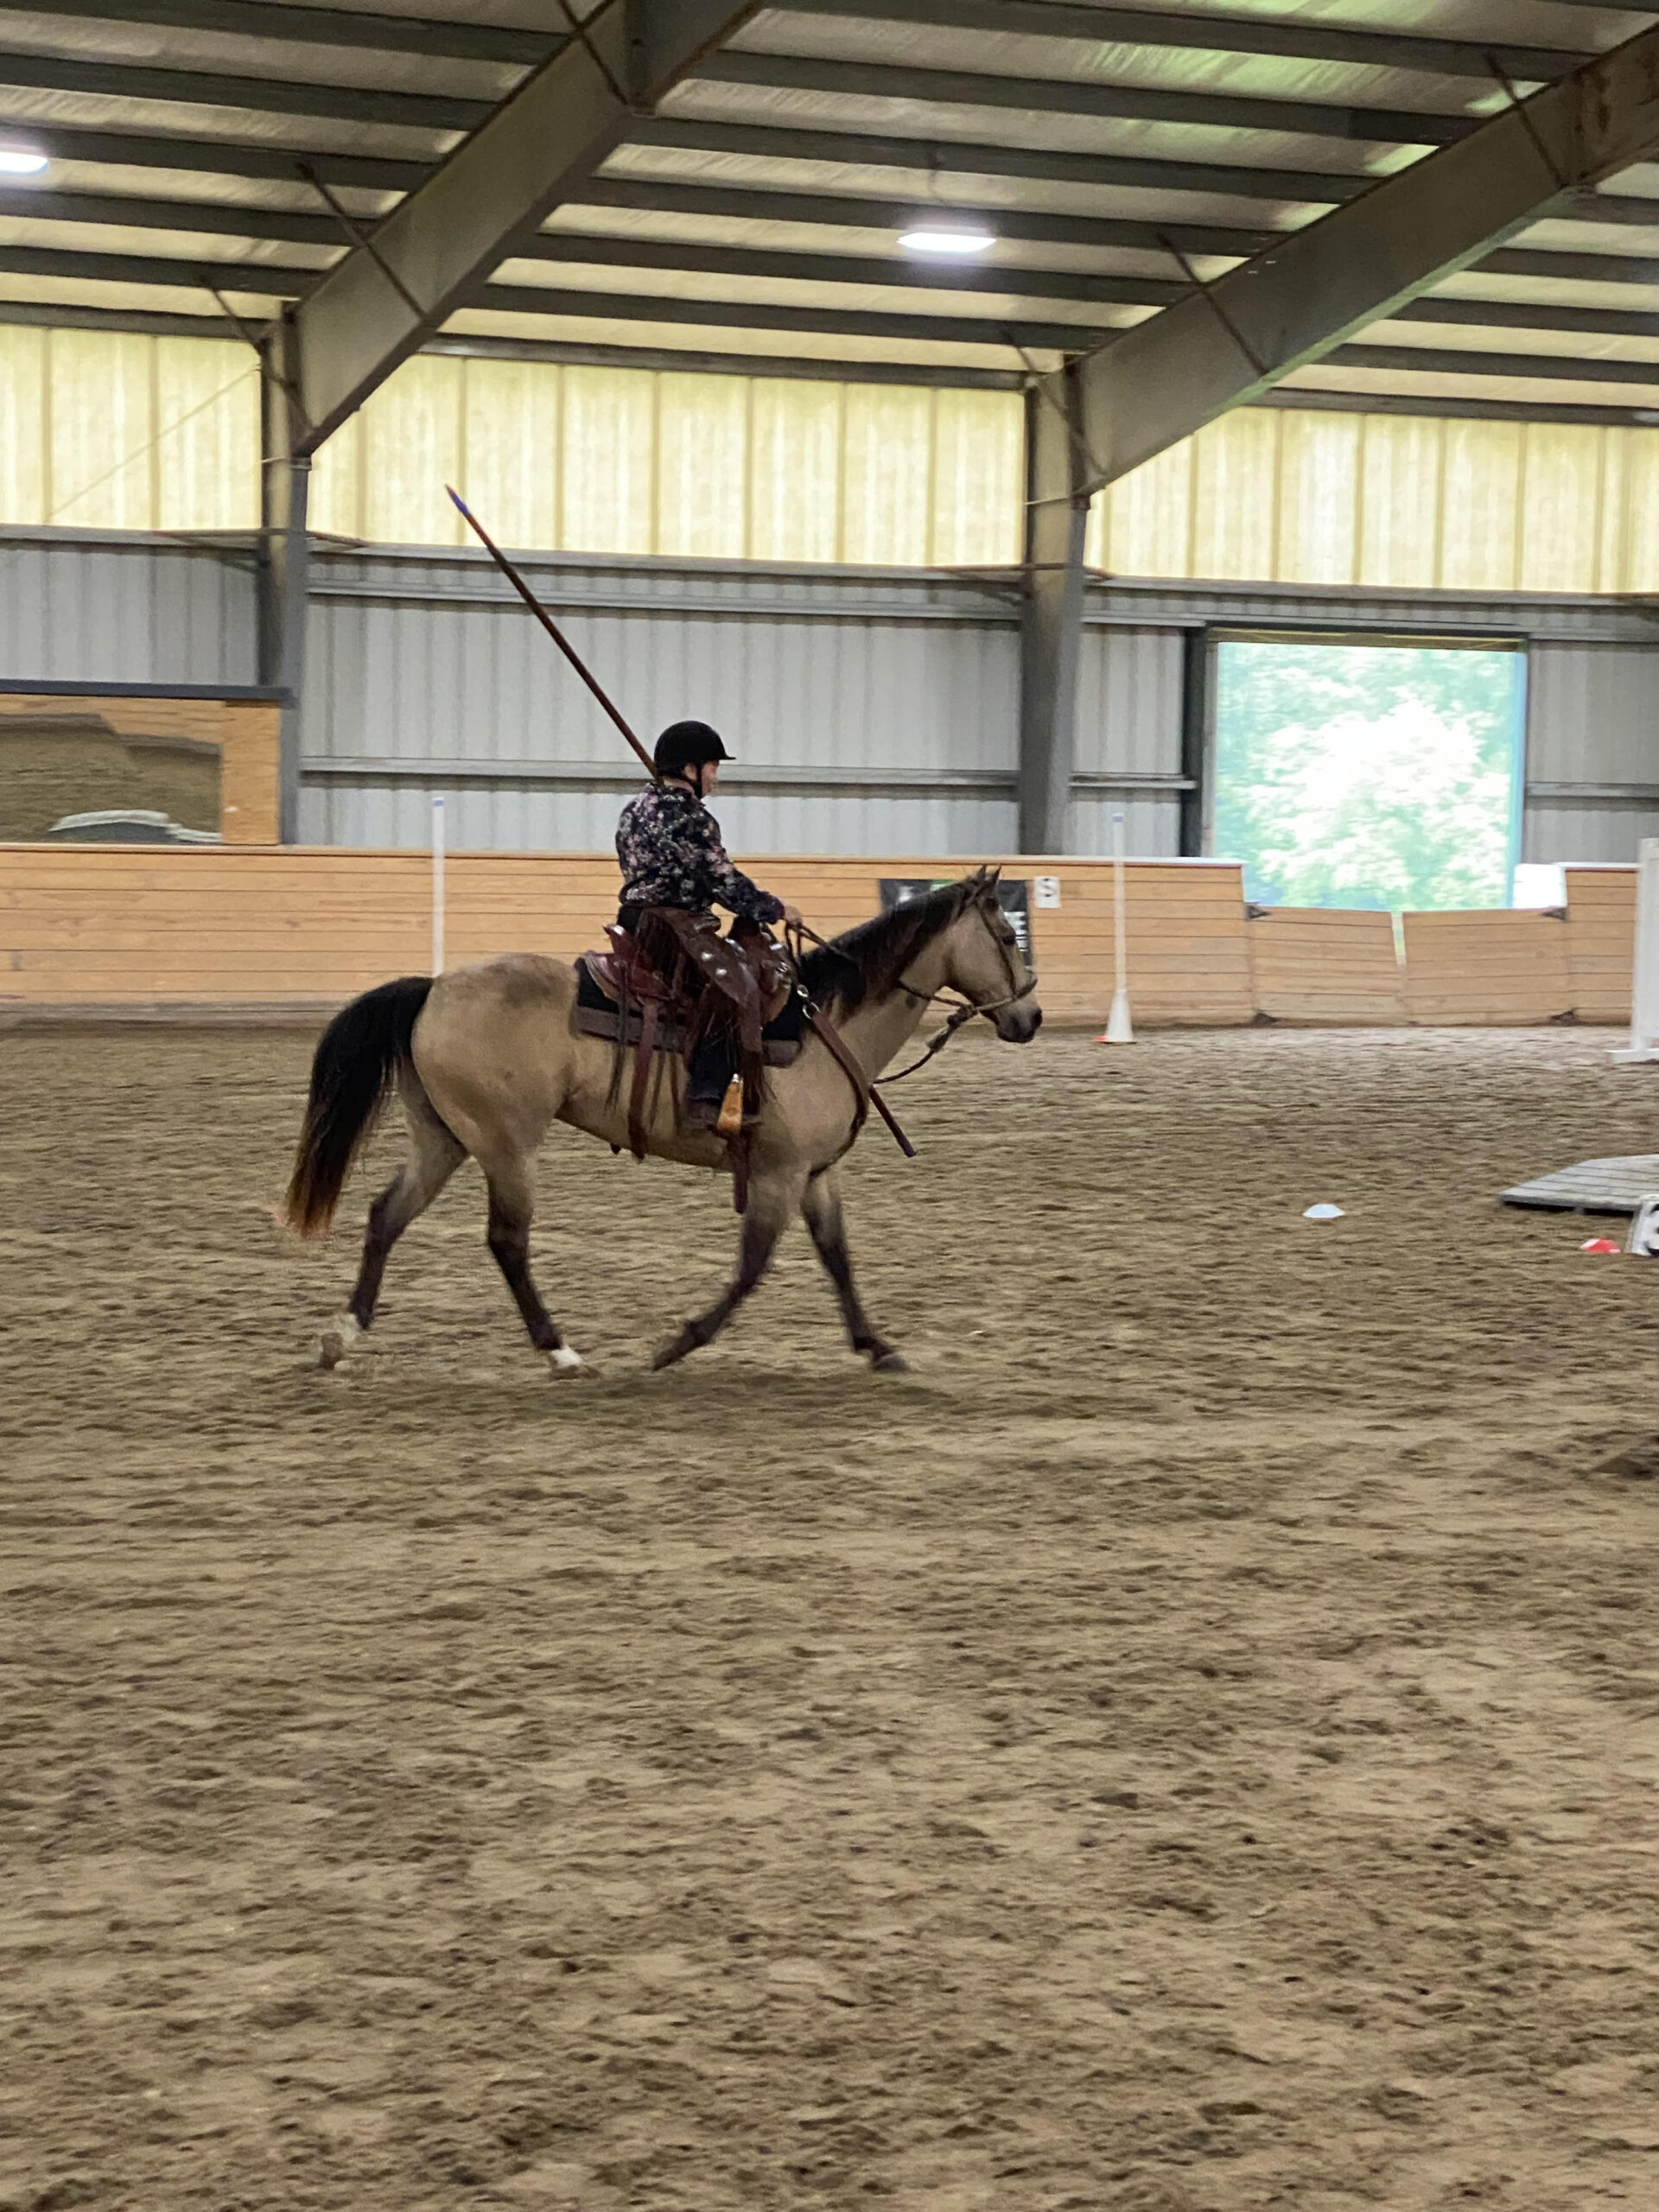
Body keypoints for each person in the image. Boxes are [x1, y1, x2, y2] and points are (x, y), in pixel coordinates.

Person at [616, 720, 802, 1125]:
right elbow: (722, 881)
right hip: (672, 926)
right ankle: (707, 1095)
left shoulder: (634, 809)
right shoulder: (691, 818)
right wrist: (774, 908)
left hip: (633, 919)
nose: (716, 777)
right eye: (713, 766)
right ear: (689, 770)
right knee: (735, 990)